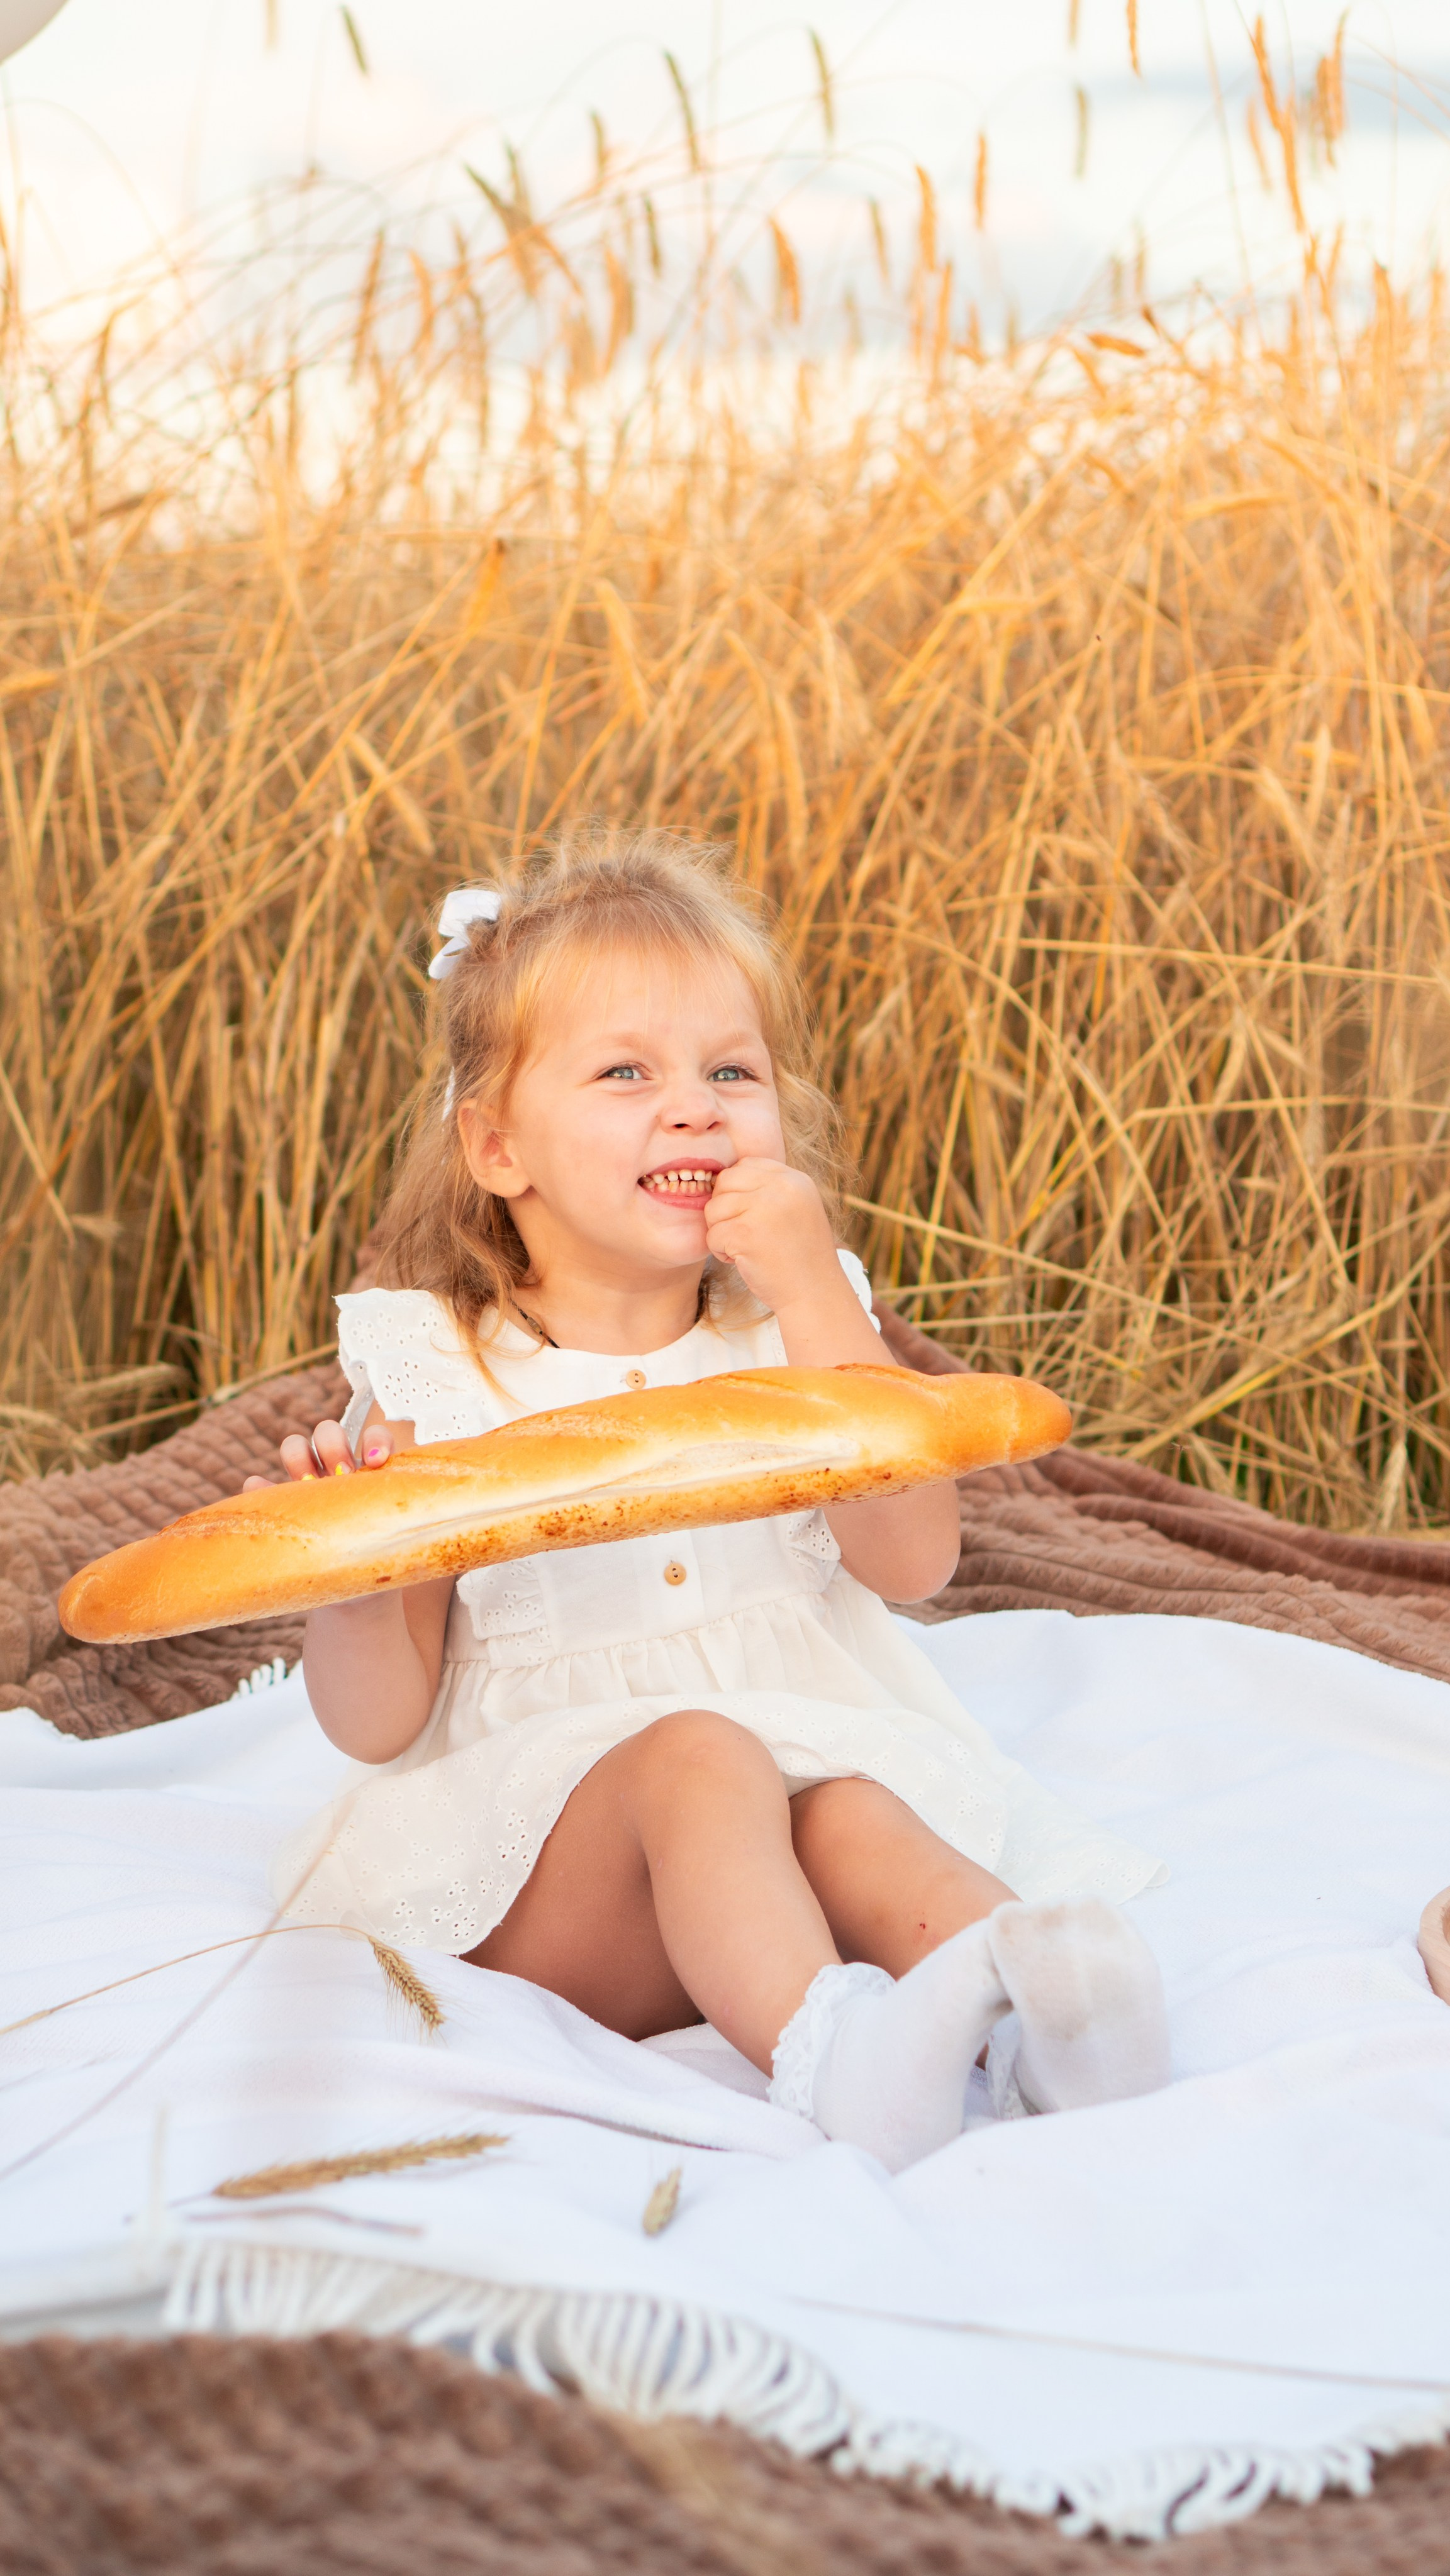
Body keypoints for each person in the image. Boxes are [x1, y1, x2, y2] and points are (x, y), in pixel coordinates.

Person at [268, 826, 1168, 2170]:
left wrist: (814, 1294)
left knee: (857, 1809)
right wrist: (346, 1576)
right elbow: (379, 1718)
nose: (691, 1106)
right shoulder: (438, 1375)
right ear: (498, 1145)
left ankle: (1049, 2011)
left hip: (779, 1846)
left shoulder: (795, 1327)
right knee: (701, 1754)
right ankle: (835, 2057)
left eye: (729, 1072)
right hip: (557, 1887)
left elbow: (912, 1559)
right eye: (626, 1071)